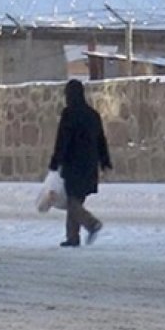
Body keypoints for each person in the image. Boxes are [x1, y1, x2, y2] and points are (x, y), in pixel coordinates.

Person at [48, 79, 112, 247]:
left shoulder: (69, 114)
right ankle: (72, 237)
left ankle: (92, 223)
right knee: (75, 200)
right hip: (90, 165)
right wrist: (105, 161)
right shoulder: (93, 114)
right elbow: (101, 140)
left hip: (73, 165)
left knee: (73, 202)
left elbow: (63, 140)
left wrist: (56, 161)